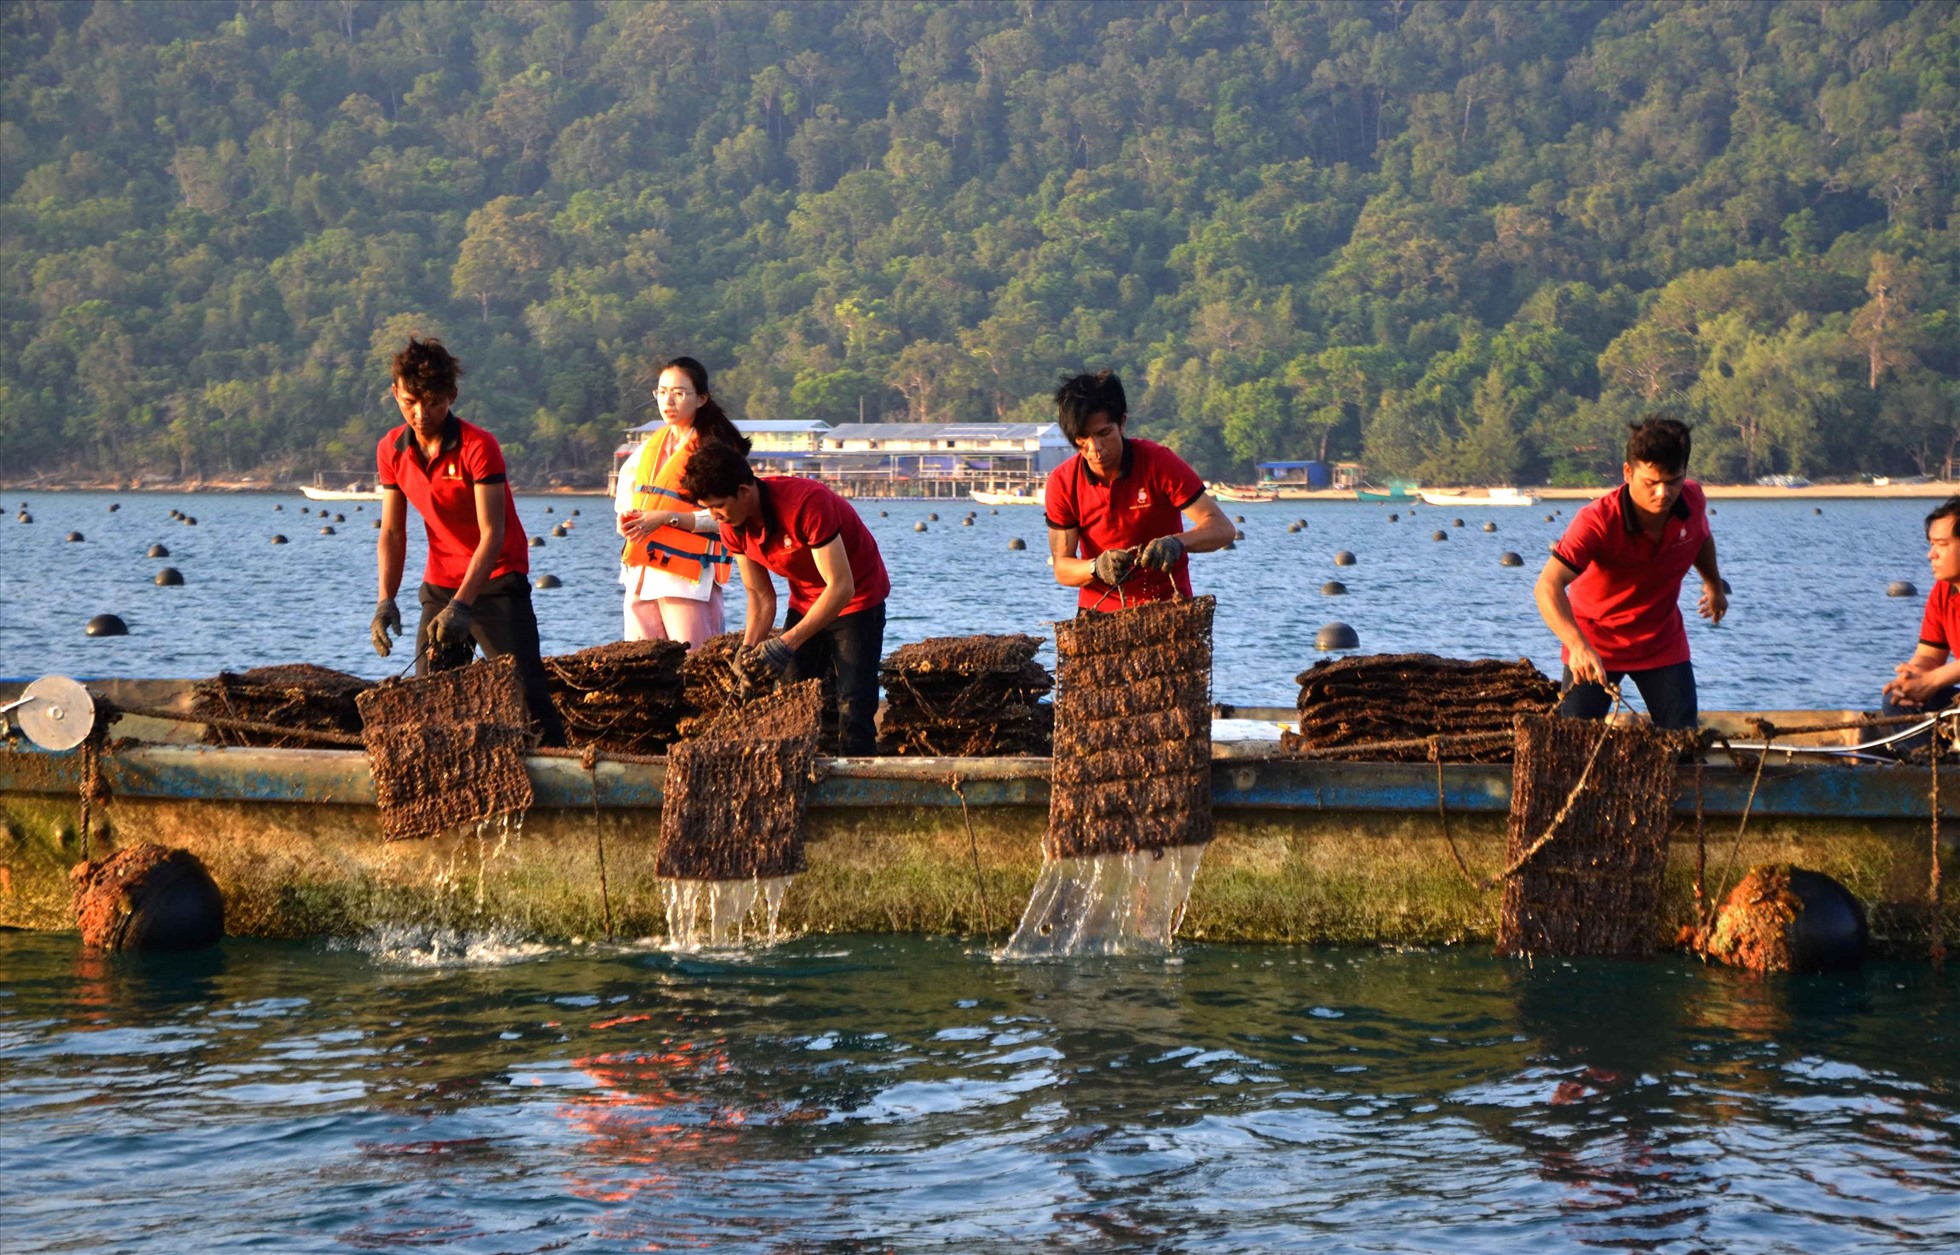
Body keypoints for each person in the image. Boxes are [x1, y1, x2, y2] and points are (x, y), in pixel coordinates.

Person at [370, 336, 565, 745]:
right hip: (441, 583)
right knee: (432, 702)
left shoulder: (479, 446)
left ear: (452, 396)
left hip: (497, 579)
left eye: (433, 402)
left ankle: (567, 790)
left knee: (527, 697)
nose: (421, 415)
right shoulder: (391, 449)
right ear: (395, 394)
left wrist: (463, 605)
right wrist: (386, 600)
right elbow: (392, 531)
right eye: (409, 403)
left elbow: (492, 534)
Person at [680, 441, 891, 756]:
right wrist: (749, 651)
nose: (714, 516)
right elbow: (761, 596)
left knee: (854, 703)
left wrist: (785, 643)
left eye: (718, 506)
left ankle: (858, 787)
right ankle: (798, 775)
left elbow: (841, 587)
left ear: (744, 491)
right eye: (707, 508)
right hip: (806, 600)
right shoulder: (731, 527)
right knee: (791, 698)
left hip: (857, 597)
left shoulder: (807, 505)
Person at [1534, 414, 1725, 730]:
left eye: (1672, 481)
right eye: (1651, 482)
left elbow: (1700, 536)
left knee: (1684, 745)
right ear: (1628, 472)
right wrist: (1577, 645)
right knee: (1570, 742)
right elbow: (1547, 586)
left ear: (1684, 474)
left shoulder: (1692, 499)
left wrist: (1713, 585)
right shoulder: (1596, 521)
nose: (1663, 493)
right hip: (1596, 645)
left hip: (1661, 641)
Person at [1043, 370, 1234, 612]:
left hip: (1169, 611)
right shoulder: (1062, 482)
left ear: (1121, 423)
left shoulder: (1159, 462)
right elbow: (1062, 568)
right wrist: (1096, 567)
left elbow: (1222, 529)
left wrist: (1177, 543)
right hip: (1097, 618)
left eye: (1104, 434)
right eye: (1083, 439)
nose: (1095, 449)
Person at [614, 357, 748, 648]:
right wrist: (625, 519)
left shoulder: (715, 449)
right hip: (641, 572)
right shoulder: (651, 445)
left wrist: (665, 518)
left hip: (687, 577)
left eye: (678, 392)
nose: (668, 401)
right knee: (643, 668)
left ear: (701, 398)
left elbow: (727, 514)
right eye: (661, 392)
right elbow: (626, 493)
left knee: (694, 663)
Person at [1881, 495, 1960, 719]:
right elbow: (1929, 655)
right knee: (1896, 702)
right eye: (1932, 545)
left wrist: (1933, 680)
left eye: (1942, 545)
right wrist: (1912, 677)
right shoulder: (1943, 591)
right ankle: (1930, 755)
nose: (1931, 555)